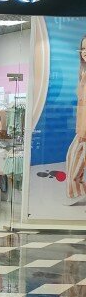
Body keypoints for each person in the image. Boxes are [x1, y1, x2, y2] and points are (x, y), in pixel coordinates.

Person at [65, 35, 86, 204]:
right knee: (73, 157)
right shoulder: (83, 73)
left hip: (84, 129)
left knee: (75, 159)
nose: (84, 52)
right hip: (82, 127)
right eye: (83, 49)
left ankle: (77, 192)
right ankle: (76, 191)